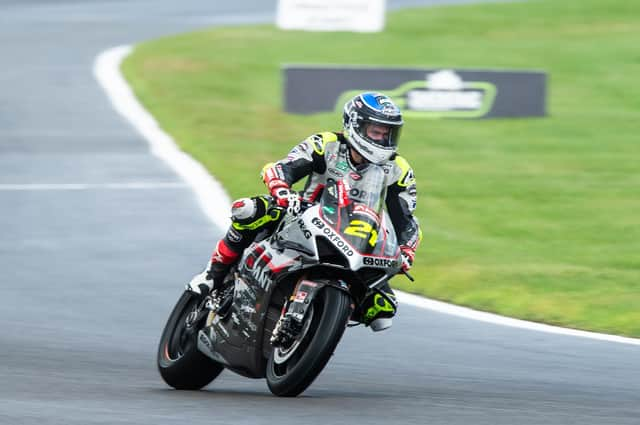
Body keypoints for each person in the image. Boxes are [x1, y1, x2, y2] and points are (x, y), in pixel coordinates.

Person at [190, 92, 421, 332]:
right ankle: (212, 275)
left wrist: (406, 252)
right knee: (248, 210)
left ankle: (321, 318)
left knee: (382, 309)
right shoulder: (326, 143)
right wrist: (281, 191)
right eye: (377, 132)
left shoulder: (399, 169)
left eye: (388, 133)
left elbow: (406, 221)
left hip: (356, 237)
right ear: (355, 125)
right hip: (303, 213)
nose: (383, 140)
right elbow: (282, 168)